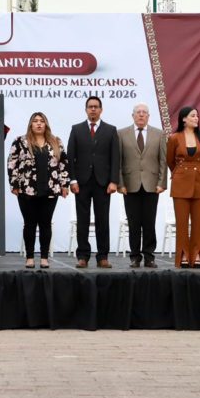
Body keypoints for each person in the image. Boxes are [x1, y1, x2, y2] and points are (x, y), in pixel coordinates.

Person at [7, 112, 71, 269]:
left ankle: (44, 258)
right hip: (26, 189)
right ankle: (29, 257)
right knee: (29, 223)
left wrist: (64, 185)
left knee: (45, 224)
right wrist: (14, 184)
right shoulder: (20, 142)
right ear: (31, 124)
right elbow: (12, 163)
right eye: (35, 121)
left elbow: (64, 164)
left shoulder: (56, 141)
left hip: (50, 190)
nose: (39, 123)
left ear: (46, 124)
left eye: (42, 121)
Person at [67, 96, 121, 269]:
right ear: (86, 109)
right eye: (90, 106)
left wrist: (114, 181)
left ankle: (103, 256)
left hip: (103, 183)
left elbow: (115, 158)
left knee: (102, 220)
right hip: (81, 182)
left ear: (101, 110)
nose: (93, 109)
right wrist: (72, 180)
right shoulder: (76, 129)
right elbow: (70, 156)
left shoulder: (110, 130)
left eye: (96, 106)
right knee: (82, 220)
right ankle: (82, 256)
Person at [117, 103, 167, 268]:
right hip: (129, 185)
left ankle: (149, 256)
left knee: (149, 222)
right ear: (132, 115)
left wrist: (161, 183)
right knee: (133, 223)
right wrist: (120, 184)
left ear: (148, 116)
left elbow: (163, 160)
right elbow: (118, 161)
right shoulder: (121, 134)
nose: (141, 115)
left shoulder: (159, 134)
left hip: (152, 185)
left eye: (144, 112)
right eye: (138, 112)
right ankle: (135, 257)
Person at [166, 106, 200, 268]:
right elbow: (170, 160)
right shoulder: (174, 138)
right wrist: (181, 172)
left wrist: (196, 170)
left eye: (197, 116)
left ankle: (197, 254)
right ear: (184, 119)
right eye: (192, 116)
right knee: (182, 222)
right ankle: (183, 254)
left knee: (198, 222)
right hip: (180, 182)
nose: (196, 118)